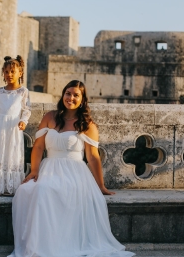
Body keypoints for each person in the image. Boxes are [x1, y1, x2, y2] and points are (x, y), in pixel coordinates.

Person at [8, 80, 135, 257]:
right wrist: (34, 170)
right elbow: (38, 147)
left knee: (47, 191)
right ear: (63, 95)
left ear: (82, 100)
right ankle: (39, 245)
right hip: (49, 168)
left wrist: (100, 186)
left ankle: (58, 246)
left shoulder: (87, 124)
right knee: (26, 191)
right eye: (68, 93)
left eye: (76, 95)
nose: (71, 98)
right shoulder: (50, 117)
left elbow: (93, 157)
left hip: (75, 172)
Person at [0, 55, 31, 196]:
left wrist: (23, 121)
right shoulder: (0, 91)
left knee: (11, 154)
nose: (9, 75)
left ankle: (11, 187)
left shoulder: (23, 91)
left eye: (13, 72)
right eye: (6, 72)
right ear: (3, 73)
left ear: (20, 73)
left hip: (13, 127)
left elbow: (27, 109)